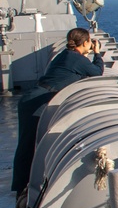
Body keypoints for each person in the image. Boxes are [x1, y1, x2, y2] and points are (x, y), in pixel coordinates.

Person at [11, 27, 104, 195]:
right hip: (37, 102)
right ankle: (21, 190)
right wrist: (97, 54)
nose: (91, 45)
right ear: (85, 43)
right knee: (28, 145)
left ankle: (22, 188)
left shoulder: (67, 55)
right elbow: (97, 72)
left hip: (35, 99)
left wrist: (86, 54)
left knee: (30, 144)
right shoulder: (76, 59)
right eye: (90, 42)